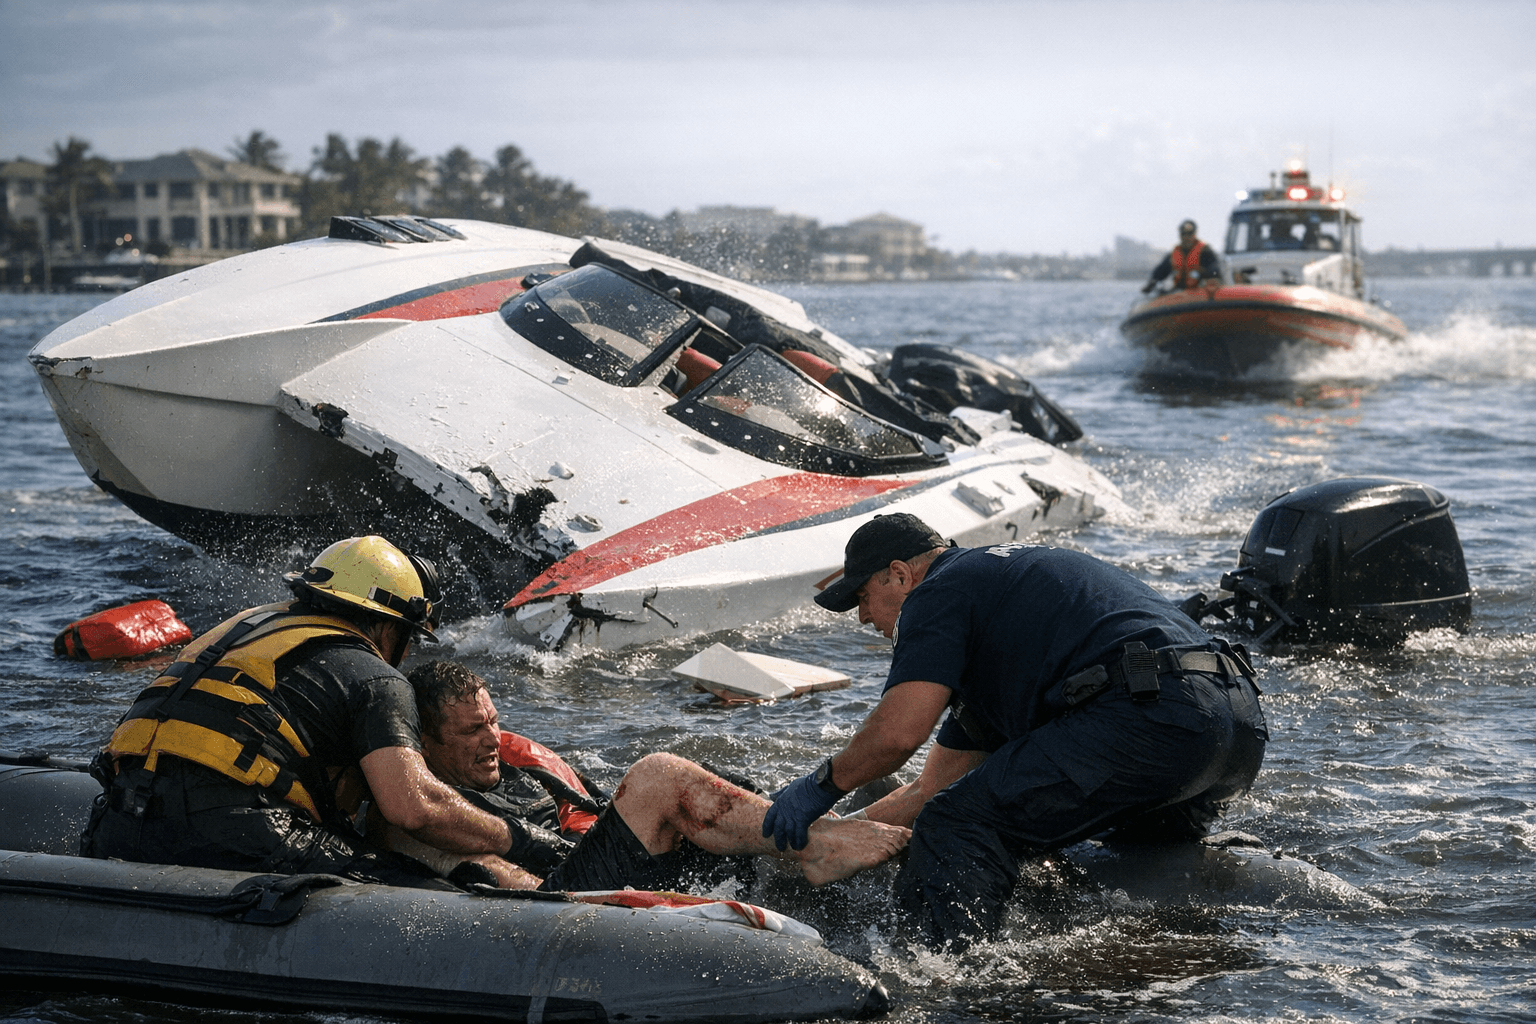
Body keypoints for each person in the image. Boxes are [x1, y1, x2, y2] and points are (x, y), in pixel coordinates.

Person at [764, 513, 1268, 947]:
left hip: (1150, 717)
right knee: (1027, 819)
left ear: (899, 574)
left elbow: (897, 736)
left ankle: (946, 982)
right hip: (1234, 724)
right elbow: (931, 787)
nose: (862, 617)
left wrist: (818, 788)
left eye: (863, 597)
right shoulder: (999, 598)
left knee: (957, 825)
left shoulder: (937, 591)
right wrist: (837, 835)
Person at [82, 536, 516, 889]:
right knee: (422, 888)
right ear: (389, 626)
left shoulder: (245, 629)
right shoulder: (376, 678)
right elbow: (413, 808)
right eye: (410, 637)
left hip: (119, 819)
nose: (405, 654)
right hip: (233, 835)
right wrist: (513, 837)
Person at [389, 661, 910, 892]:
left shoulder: (510, 765)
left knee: (718, 781)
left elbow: (589, 803)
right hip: (567, 894)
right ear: (425, 743)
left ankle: (871, 822)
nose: (492, 739)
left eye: (494, 722)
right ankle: (820, 846)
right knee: (658, 777)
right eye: (472, 730)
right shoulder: (421, 812)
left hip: (601, 856)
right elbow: (491, 878)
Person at [1143, 219, 1222, 293]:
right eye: (1183, 234)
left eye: (1190, 233)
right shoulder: (1173, 254)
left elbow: (1215, 269)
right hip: (1180, 291)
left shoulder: (1205, 251)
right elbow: (1161, 271)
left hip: (1200, 290)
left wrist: (1204, 274)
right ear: (1180, 235)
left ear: (1195, 234)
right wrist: (1152, 282)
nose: (1186, 237)